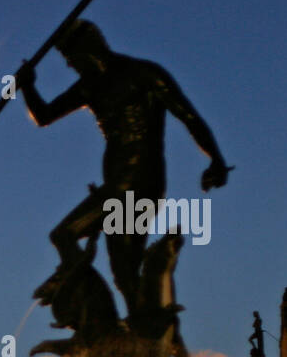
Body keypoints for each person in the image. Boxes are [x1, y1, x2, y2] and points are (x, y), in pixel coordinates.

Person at [16, 20, 228, 334]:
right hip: (115, 184)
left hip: (141, 181)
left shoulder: (144, 74)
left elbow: (189, 116)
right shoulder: (90, 86)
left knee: (104, 256)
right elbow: (45, 116)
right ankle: (121, 325)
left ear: (88, 49)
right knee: (99, 254)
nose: (71, 65)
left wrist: (216, 160)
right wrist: (27, 86)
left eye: (72, 58)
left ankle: (126, 327)